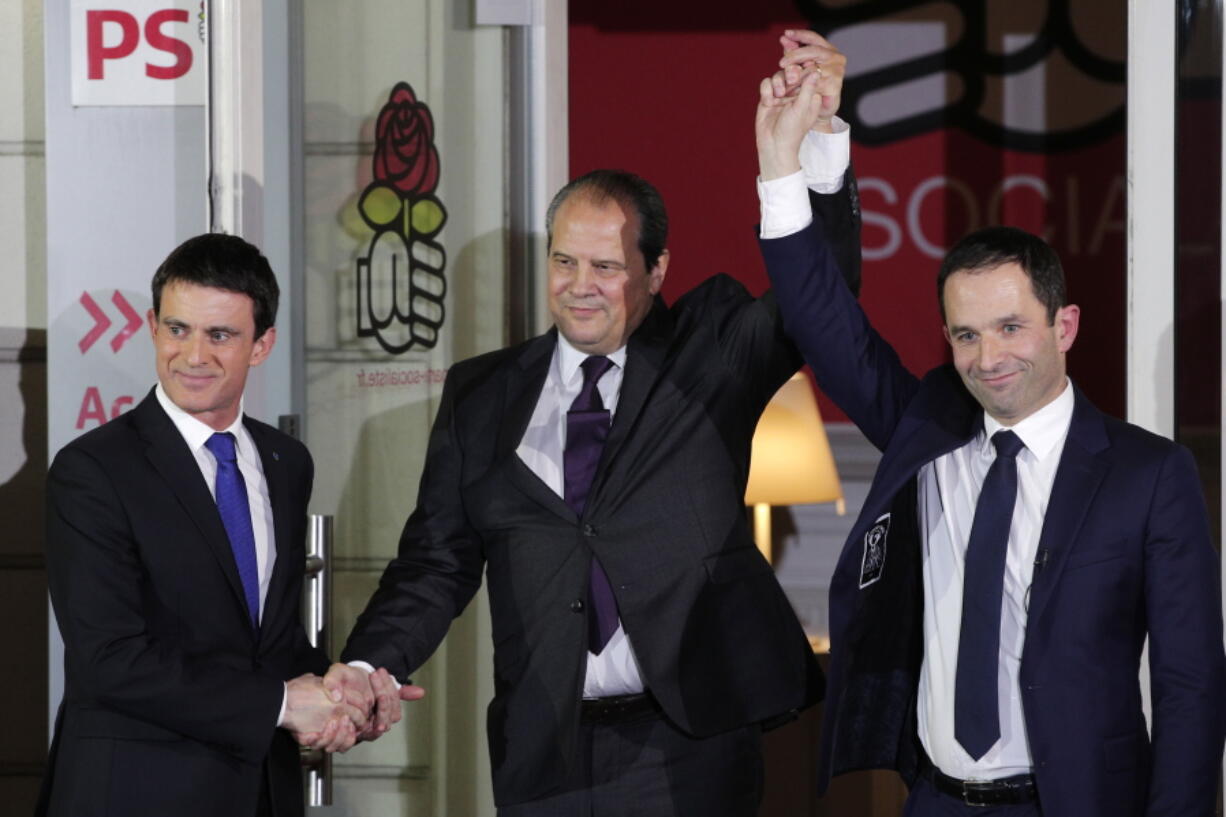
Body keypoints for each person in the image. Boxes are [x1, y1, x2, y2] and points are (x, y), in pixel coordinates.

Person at [325, 47, 860, 816]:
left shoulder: (708, 352)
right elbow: (435, 564)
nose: (580, 286)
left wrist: (818, 150)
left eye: (606, 266)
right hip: (545, 753)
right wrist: (369, 664)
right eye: (564, 260)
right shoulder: (481, 395)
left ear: (656, 270)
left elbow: (824, 297)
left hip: (688, 743)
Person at [754, 35, 1226, 817]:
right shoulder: (928, 427)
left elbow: (1190, 687)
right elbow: (824, 323)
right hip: (934, 800)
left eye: (1012, 327)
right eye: (967, 335)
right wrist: (788, 156)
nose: (988, 356)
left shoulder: (1149, 474)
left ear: (1065, 324)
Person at [38, 233, 376, 817]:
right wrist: (282, 704)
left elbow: (269, 640)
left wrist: (345, 692)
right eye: (177, 329)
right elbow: (109, 658)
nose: (193, 355)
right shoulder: (92, 470)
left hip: (260, 792)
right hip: (134, 794)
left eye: (219, 335)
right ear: (151, 326)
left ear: (262, 344)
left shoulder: (285, 462)